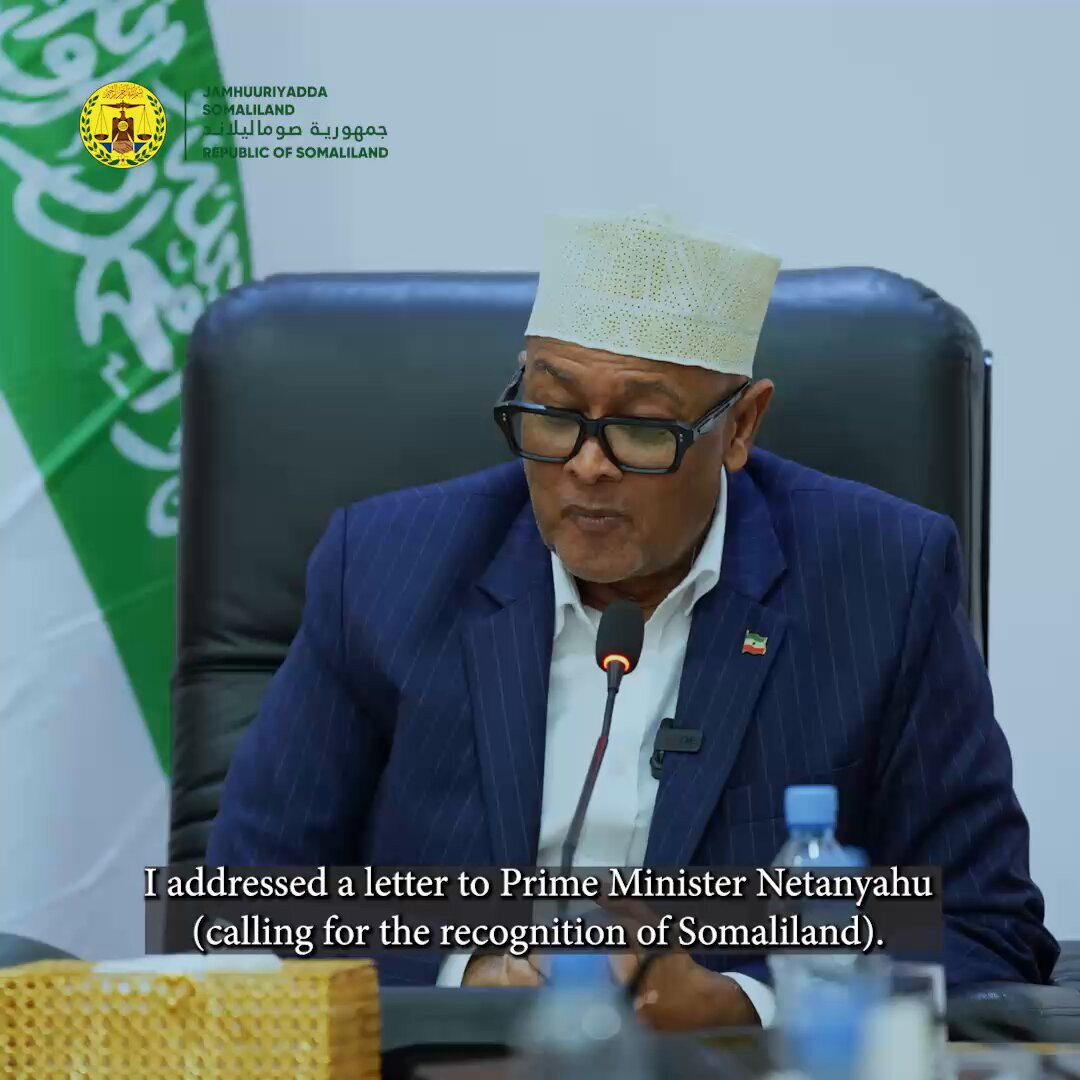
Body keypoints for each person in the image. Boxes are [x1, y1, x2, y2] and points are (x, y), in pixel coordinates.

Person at [207, 207, 1058, 1030]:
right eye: (553, 414)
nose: (587, 466)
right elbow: (245, 906)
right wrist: (466, 978)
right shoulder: (383, 569)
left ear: (740, 426)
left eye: (642, 430)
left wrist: (743, 1005)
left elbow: (981, 924)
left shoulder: (883, 578)